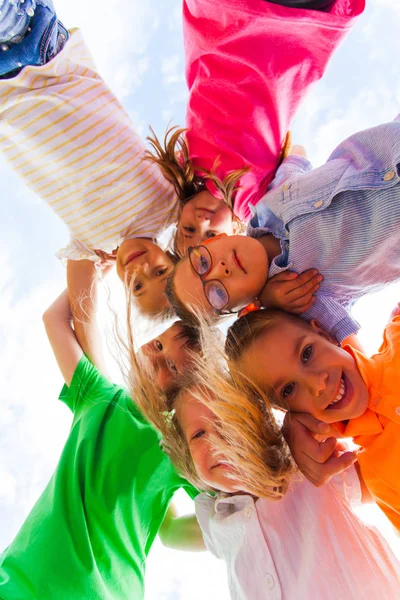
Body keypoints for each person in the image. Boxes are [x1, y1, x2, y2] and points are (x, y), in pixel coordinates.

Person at [0, 288, 204, 599]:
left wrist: (229, 534)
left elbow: (173, 531)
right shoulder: (99, 393)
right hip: (19, 581)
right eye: (159, 343)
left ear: (183, 391)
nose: (157, 357)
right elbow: (54, 319)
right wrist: (98, 254)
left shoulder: (180, 445)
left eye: (173, 368)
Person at [135, 372, 400, 599]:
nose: (216, 440)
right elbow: (168, 533)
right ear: (187, 459)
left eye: (228, 420)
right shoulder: (216, 519)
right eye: (198, 434)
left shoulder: (309, 468)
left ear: (261, 422)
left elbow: (383, 468)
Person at [166, 117, 400, 343]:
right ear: (242, 308)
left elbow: (296, 159)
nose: (220, 270)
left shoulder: (266, 203)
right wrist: (271, 303)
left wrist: (289, 151)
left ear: (212, 242)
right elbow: (344, 347)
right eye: (217, 293)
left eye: (202, 263)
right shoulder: (301, 296)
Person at [224, 305, 400, 531]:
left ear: (324, 334)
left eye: (307, 353)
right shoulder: (378, 479)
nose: (318, 384)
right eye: (289, 389)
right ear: (286, 411)